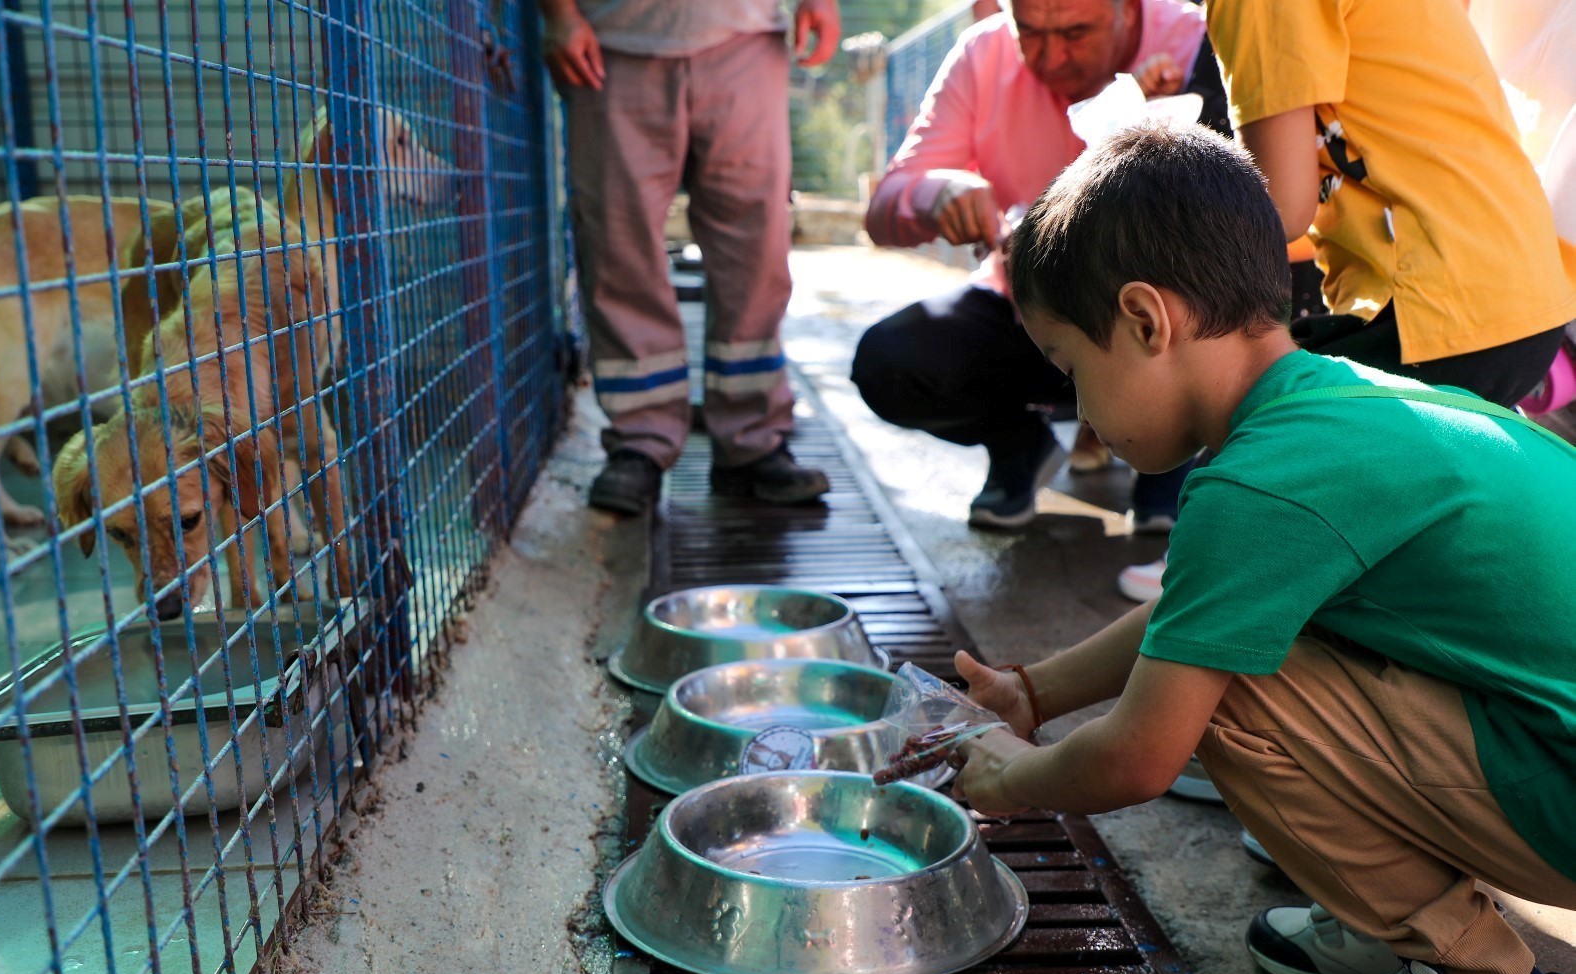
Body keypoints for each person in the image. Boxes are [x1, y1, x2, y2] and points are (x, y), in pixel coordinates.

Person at [949, 124, 1576, 974]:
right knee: (1252, 634)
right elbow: (1202, 611)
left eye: (1073, 369)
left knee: (1230, 695)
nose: (1080, 411)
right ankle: (1403, 919)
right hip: (1546, 738)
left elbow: (1139, 757)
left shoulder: (1258, 485)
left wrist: (1007, 780)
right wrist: (1033, 693)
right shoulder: (1335, 400)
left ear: (1146, 321)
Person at [1116, 0, 1576, 601]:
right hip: (1512, 283)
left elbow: (1280, 205)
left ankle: (1198, 618)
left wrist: (1140, 211)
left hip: (1440, 300)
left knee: (1245, 478)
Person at [852, 0, 1216, 528]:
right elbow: (885, 208)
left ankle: (1175, 469)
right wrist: (937, 193)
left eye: (1075, 31)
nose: (1051, 57)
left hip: (1159, 325)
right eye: (1030, 32)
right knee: (890, 363)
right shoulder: (984, 51)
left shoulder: (1194, 39)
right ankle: (1018, 445)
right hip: (1030, 317)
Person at [540, 0, 839, 515]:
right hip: (612, 39)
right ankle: (640, 438)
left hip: (746, 37)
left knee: (757, 247)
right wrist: (559, 14)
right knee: (618, 243)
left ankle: (753, 441)